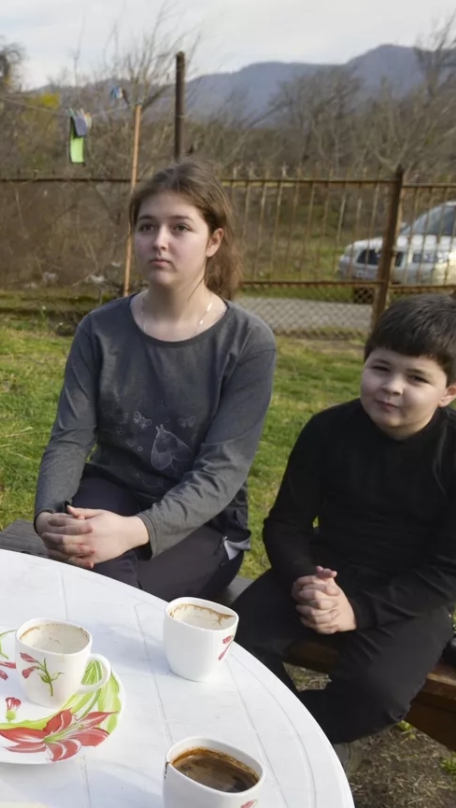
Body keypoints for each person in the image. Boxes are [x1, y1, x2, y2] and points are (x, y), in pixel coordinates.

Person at [236, 294, 456, 753]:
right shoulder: (328, 429)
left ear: (451, 391)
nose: (391, 386)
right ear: (365, 360)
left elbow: (453, 570)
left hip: (412, 592)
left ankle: (280, 745)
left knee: (376, 692)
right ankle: (260, 736)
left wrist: (358, 611)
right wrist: (305, 580)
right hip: (324, 569)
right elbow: (285, 524)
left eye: (416, 378)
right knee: (235, 641)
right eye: (381, 367)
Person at [34, 159, 277, 601]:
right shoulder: (100, 329)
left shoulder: (248, 343)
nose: (159, 241)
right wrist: (48, 514)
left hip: (204, 523)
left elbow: (220, 472)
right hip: (112, 490)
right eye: (147, 227)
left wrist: (137, 530)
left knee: (115, 596)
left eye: (180, 228)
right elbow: (70, 438)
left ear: (213, 240)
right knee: (87, 568)